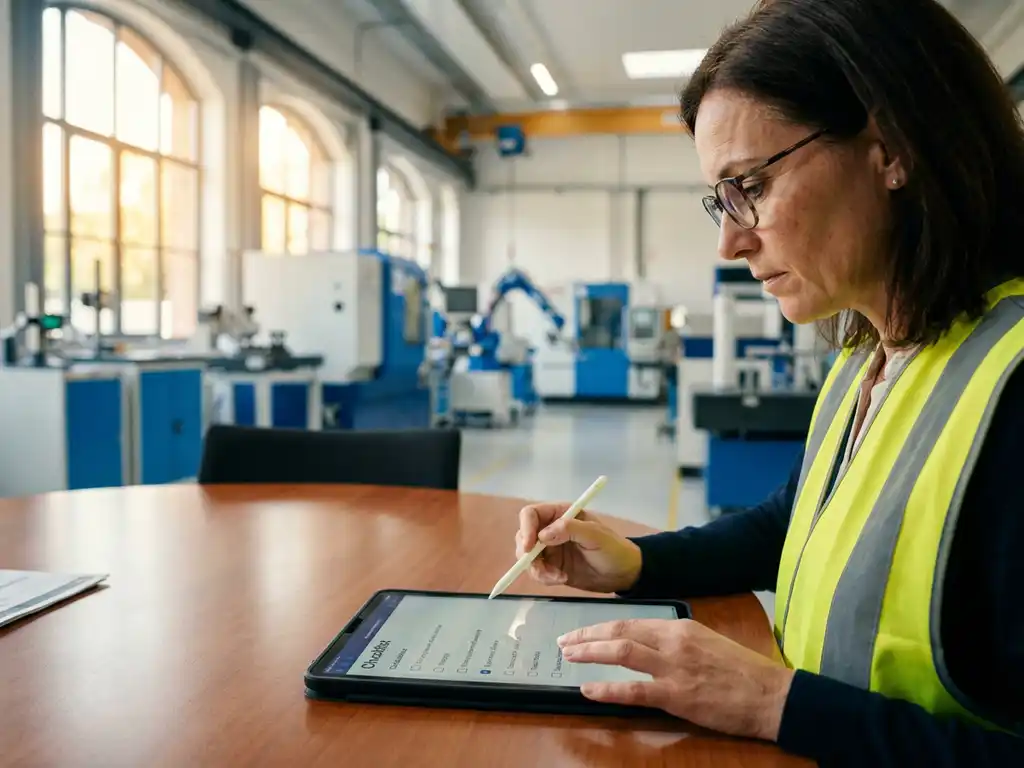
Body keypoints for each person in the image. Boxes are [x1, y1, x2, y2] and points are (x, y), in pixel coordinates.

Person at [514, 0, 1024, 765]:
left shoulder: (1013, 387)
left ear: (891, 148)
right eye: (720, 200)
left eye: (750, 184)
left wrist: (774, 703)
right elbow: (794, 524)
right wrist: (640, 562)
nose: (729, 242)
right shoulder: (868, 356)